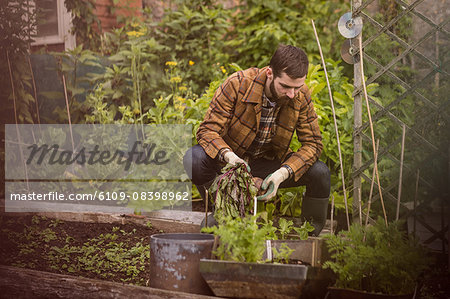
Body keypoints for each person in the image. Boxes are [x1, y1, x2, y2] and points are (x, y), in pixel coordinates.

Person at [183, 44, 330, 236]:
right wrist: (231, 158)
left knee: (320, 172)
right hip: (232, 164)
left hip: (268, 165)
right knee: (193, 158)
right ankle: (225, 212)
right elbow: (208, 130)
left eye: (297, 87)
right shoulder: (237, 84)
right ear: (270, 73)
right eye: (285, 86)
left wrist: (282, 174)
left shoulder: (300, 95)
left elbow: (313, 144)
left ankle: (308, 233)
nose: (292, 94)